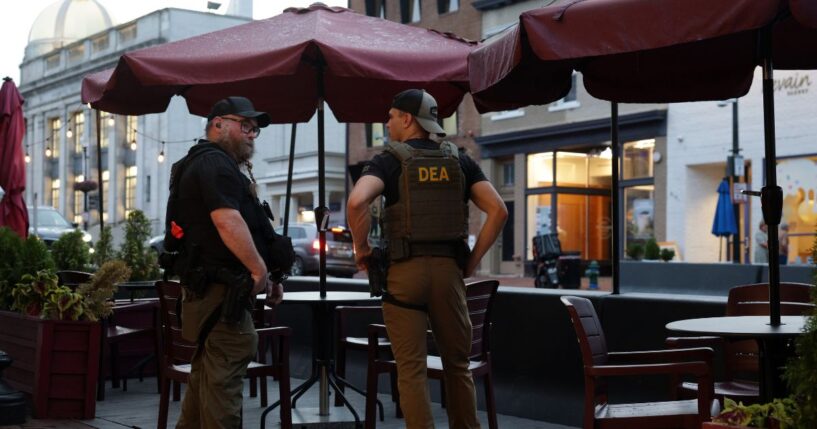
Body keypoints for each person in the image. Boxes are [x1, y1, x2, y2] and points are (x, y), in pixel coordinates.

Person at [347, 89, 508, 429]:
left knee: (411, 369)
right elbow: (498, 210)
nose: (387, 123)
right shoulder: (459, 159)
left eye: (391, 116)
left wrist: (362, 250)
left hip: (404, 275)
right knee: (458, 366)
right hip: (449, 274)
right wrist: (472, 262)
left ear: (407, 119)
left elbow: (357, 201)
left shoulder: (388, 161)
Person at [169, 96, 284, 428]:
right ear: (218, 124)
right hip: (223, 295)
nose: (251, 134)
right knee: (221, 391)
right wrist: (259, 270)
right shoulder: (216, 165)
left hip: (209, 293)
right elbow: (227, 220)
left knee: (205, 382)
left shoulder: (198, 163)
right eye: (244, 125)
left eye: (255, 129)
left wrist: (269, 274)